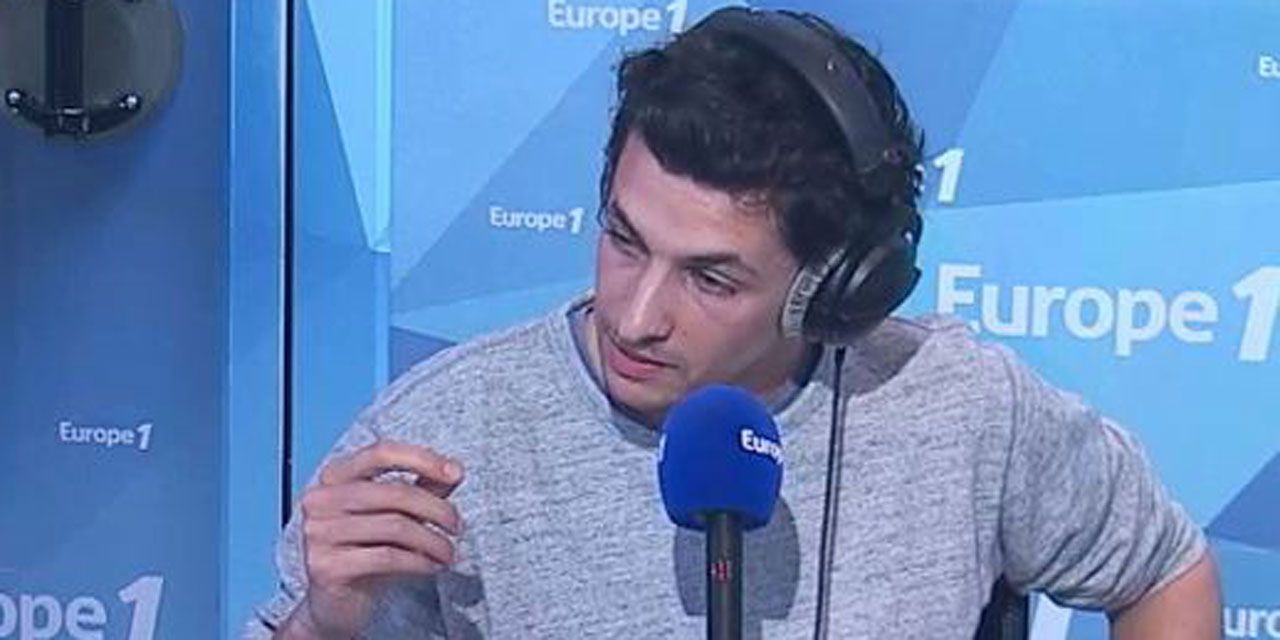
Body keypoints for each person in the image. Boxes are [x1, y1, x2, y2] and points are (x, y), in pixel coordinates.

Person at [247, 7, 1220, 639]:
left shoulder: (961, 408)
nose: (635, 316)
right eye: (624, 239)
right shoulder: (445, 434)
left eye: (710, 278)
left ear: (833, 289)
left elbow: (1162, 569)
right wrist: (324, 624)